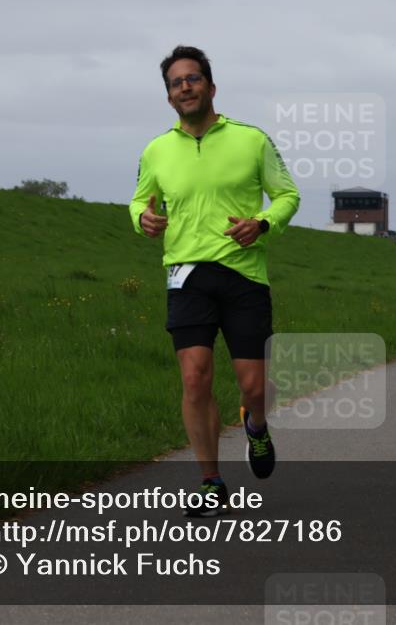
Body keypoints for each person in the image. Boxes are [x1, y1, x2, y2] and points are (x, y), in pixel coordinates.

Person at [129, 46, 300, 517]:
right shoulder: (156, 150)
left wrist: (262, 224)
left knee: (254, 386)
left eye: (193, 78)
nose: (185, 87)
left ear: (211, 86)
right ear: (168, 97)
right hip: (186, 274)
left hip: (244, 274)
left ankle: (256, 425)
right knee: (194, 378)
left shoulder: (251, 140)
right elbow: (139, 200)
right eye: (176, 82)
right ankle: (211, 482)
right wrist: (141, 219)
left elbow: (287, 195)